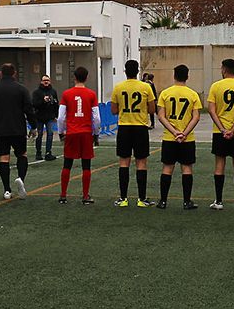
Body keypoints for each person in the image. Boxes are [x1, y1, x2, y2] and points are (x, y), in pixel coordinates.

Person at [206, 58, 234, 210]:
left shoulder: (215, 86)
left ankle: (218, 201)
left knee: (219, 164)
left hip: (220, 132)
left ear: (224, 69)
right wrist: (232, 130)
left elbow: (211, 110)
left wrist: (222, 129)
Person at [0, 62, 32, 200]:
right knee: (22, 154)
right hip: (18, 128)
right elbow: (28, 109)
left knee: (4, 158)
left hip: (1, 128)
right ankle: (21, 178)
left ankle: (6, 190)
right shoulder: (22, 89)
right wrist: (33, 126)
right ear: (14, 73)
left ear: (0, 74)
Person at [155, 63, 201, 210]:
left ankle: (163, 201)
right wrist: (184, 133)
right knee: (186, 168)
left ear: (174, 76)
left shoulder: (165, 93)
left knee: (167, 168)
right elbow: (196, 117)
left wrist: (174, 132)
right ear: (187, 76)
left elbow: (161, 116)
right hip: (187, 138)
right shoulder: (193, 94)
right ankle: (187, 201)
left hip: (170, 137)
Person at [110, 59, 155, 207]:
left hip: (124, 127)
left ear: (125, 71)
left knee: (124, 162)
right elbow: (152, 109)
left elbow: (114, 110)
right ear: (138, 71)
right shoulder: (146, 87)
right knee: (141, 162)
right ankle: (142, 199)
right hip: (140, 127)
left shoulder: (118, 87)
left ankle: (123, 198)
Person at [57, 65, 99, 205]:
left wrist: (61, 132)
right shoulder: (91, 94)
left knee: (67, 164)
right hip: (86, 132)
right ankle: (85, 196)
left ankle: (63, 195)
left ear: (74, 77)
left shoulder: (66, 94)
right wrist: (96, 133)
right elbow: (96, 118)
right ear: (86, 77)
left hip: (72, 132)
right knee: (86, 165)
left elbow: (61, 117)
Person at [31, 74, 59, 160]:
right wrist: (43, 101)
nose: (46, 82)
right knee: (39, 135)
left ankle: (48, 152)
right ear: (41, 82)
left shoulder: (53, 92)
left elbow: (56, 104)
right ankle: (38, 153)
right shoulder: (36, 92)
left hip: (50, 117)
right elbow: (34, 104)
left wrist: (56, 115)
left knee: (50, 134)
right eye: (44, 80)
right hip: (39, 117)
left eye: (47, 80)